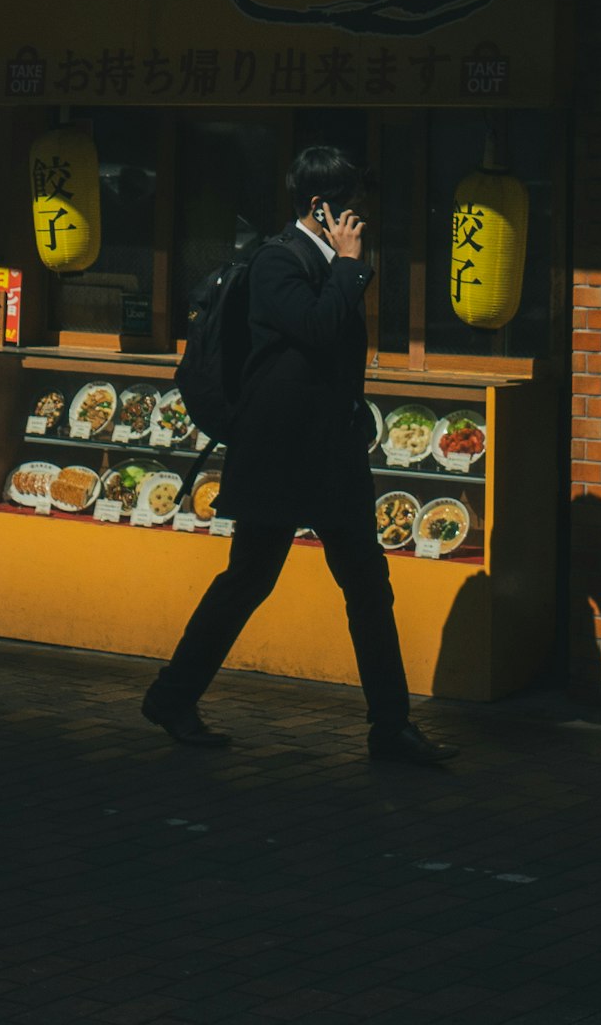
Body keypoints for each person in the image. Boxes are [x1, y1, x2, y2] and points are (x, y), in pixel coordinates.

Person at [142, 144, 456, 766]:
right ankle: (172, 695)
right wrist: (348, 267)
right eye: (352, 209)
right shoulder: (274, 264)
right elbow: (316, 328)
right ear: (321, 209)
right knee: (248, 582)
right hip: (280, 456)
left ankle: (390, 727)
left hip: (330, 456)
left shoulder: (317, 262)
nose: (361, 221)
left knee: (368, 587)